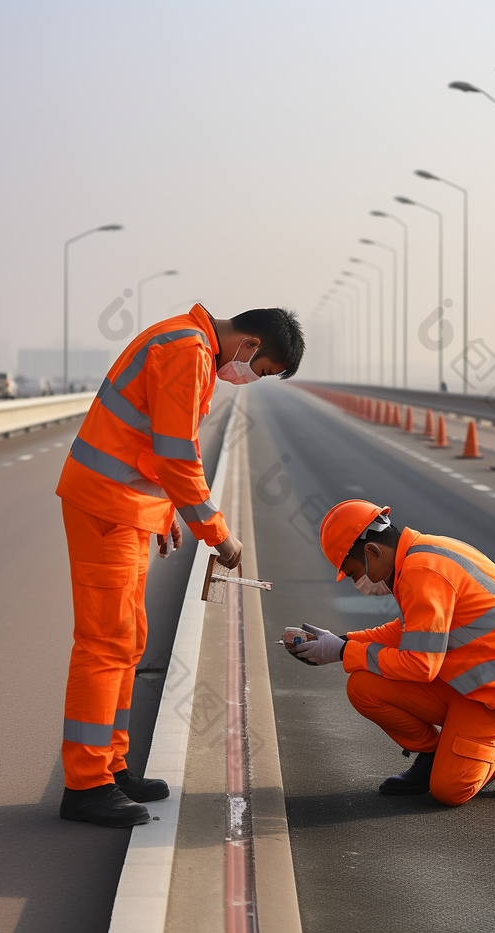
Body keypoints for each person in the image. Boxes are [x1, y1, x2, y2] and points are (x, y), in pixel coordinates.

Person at [57, 304, 304, 827]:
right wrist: (217, 533)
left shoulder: (186, 342)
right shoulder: (187, 351)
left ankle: (112, 766)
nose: (246, 380)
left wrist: (167, 512)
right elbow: (176, 455)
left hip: (124, 505)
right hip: (107, 506)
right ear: (250, 345)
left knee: (127, 640)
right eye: (256, 372)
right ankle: (86, 783)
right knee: (106, 643)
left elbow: (160, 443)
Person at [288, 499, 495, 806]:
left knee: (448, 790)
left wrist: (344, 651)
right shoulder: (420, 554)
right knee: (363, 686)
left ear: (372, 552)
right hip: (476, 682)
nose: (358, 583)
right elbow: (408, 633)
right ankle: (432, 755)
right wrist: (340, 641)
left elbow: (419, 665)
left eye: (354, 573)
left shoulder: (421, 570)